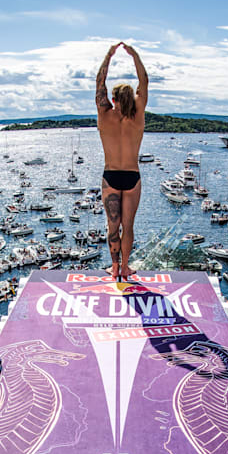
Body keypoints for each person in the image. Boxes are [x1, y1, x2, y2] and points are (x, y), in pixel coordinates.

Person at [95, 42, 147, 280]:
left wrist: (109, 55)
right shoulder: (137, 115)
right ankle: (125, 267)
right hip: (132, 177)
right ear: (131, 98)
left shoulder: (105, 114)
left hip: (111, 176)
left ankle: (114, 267)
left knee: (112, 226)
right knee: (129, 226)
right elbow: (144, 81)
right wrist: (134, 55)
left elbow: (99, 83)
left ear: (113, 98)